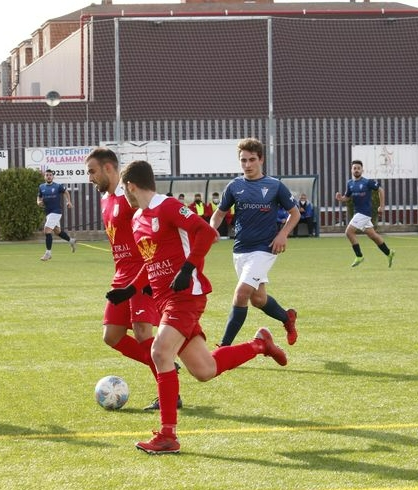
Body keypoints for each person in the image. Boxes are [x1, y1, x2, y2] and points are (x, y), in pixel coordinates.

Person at [107, 160, 288, 454]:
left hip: (186, 296)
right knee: (205, 370)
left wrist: (188, 268)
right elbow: (151, 261)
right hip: (165, 300)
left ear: (130, 186)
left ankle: (168, 435)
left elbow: (206, 232)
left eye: (123, 189)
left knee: (159, 351)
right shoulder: (138, 217)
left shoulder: (167, 206)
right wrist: (130, 288)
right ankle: (259, 345)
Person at [86, 147, 179, 411]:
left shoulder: (130, 197)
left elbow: (154, 218)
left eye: (92, 171)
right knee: (112, 336)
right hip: (120, 275)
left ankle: (169, 389)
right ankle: (167, 364)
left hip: (141, 274)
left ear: (108, 168)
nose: (90, 177)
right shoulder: (105, 200)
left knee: (141, 332)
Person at [210, 137, 299, 349]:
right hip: (240, 250)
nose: (247, 165)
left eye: (251, 160)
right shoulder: (234, 186)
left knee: (241, 293)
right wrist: (211, 228)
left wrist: (283, 234)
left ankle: (224, 347)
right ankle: (287, 318)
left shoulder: (275, 186)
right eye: (243, 160)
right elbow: (219, 214)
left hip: (265, 249)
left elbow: (294, 213)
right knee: (258, 299)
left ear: (261, 160)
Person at [335, 160, 395, 268]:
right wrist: (341, 198)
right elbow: (347, 197)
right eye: (355, 168)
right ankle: (389, 253)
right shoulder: (350, 183)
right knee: (373, 236)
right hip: (358, 213)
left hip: (364, 213)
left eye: (359, 168)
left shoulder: (367, 182)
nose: (357, 170)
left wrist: (382, 206)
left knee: (349, 232)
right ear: (351, 170)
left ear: (362, 170)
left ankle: (359, 256)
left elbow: (380, 190)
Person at [37, 169, 76, 261]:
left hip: (56, 212)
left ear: (53, 177)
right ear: (44, 177)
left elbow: (66, 192)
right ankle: (71, 241)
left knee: (47, 230)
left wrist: (69, 201)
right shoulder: (41, 187)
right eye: (47, 175)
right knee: (57, 231)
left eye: (50, 175)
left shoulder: (58, 186)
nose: (49, 176)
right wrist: (38, 202)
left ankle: (48, 253)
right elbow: (39, 196)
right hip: (48, 212)